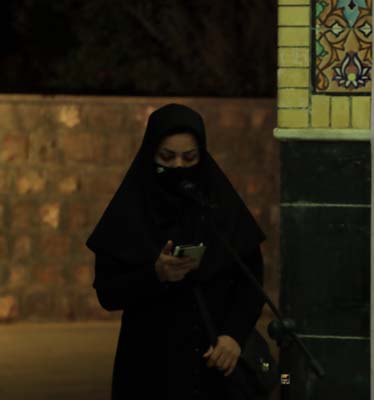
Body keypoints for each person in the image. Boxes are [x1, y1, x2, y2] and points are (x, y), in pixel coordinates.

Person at [85, 103, 266, 399]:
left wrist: (234, 336)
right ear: (150, 155)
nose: (179, 166)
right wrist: (155, 274)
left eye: (189, 157)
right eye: (167, 157)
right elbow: (108, 293)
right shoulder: (130, 213)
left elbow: (251, 281)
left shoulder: (220, 206)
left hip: (215, 366)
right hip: (150, 368)